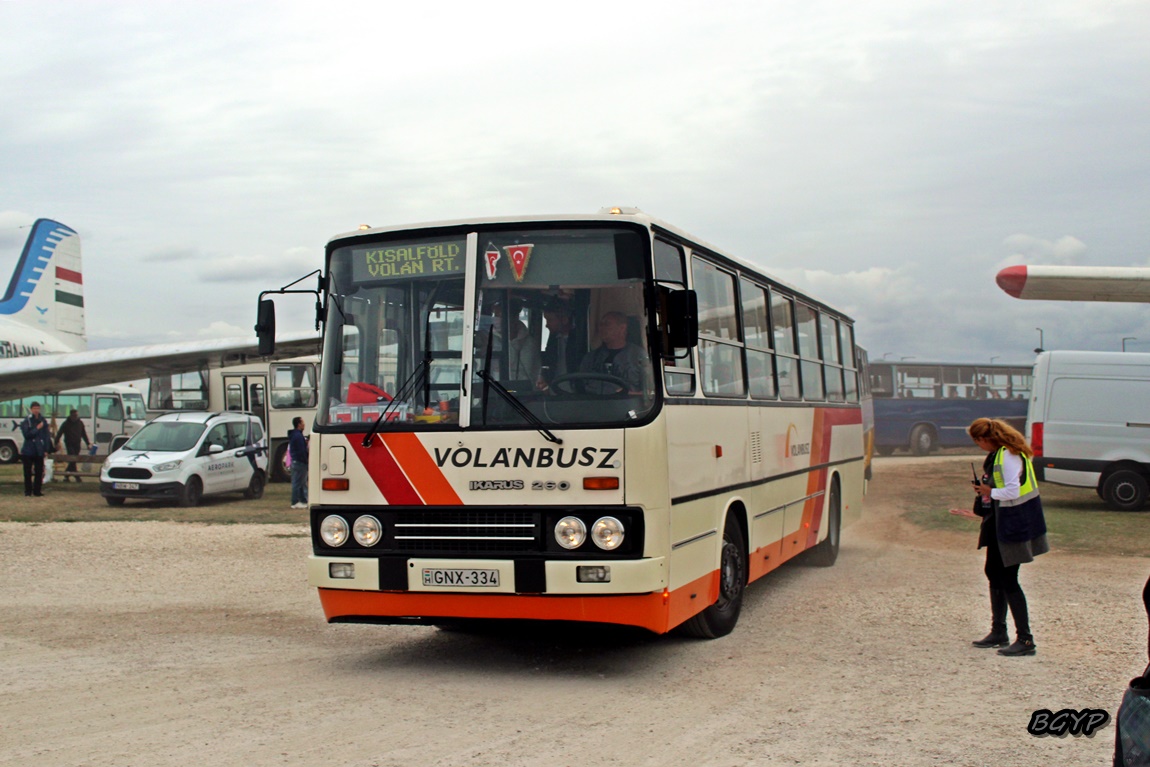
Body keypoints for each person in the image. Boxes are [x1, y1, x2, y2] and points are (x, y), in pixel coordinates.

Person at [952, 417, 1048, 656]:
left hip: (1013, 523)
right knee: (994, 572)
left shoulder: (1008, 456)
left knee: (1008, 578)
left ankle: (1026, 640)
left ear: (984, 438)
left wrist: (989, 491)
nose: (979, 446)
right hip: (1000, 521)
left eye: (978, 442)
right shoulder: (999, 454)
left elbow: (1012, 490)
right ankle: (999, 631)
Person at [578, 311, 653, 394]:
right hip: (594, 404)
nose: (601, 328)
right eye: (600, 324)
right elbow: (579, 387)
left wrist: (627, 393)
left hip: (628, 405)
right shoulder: (590, 358)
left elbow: (651, 393)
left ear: (622, 328)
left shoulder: (639, 356)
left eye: (607, 324)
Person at [538, 301, 580, 386]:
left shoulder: (578, 341)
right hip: (555, 390)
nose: (546, 325)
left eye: (550, 320)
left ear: (564, 320)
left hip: (574, 391)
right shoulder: (553, 340)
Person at [19, 402, 54, 497]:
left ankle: (37, 491)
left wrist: (47, 449)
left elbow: (46, 436)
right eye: (34, 408)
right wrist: (37, 428)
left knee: (39, 472)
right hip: (28, 450)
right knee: (27, 472)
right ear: (31, 409)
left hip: (39, 450)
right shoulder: (27, 421)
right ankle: (28, 491)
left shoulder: (43, 420)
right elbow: (27, 435)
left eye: (38, 408)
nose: (36, 410)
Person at [54, 409, 91, 482]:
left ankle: (67, 475)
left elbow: (83, 434)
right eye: (74, 415)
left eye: (76, 415)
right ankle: (76, 476)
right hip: (69, 444)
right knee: (72, 459)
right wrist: (56, 442)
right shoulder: (66, 423)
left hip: (77, 444)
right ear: (71, 415)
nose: (75, 417)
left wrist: (88, 443)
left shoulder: (80, 423)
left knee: (73, 461)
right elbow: (59, 433)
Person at [288, 417, 309, 509]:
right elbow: (301, 451)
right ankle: (295, 501)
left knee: (301, 482)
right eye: (302, 422)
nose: (304, 424)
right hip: (300, 462)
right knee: (297, 482)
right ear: (299, 424)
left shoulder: (296, 435)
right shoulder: (298, 436)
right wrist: (306, 460)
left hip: (296, 461)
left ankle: (303, 500)